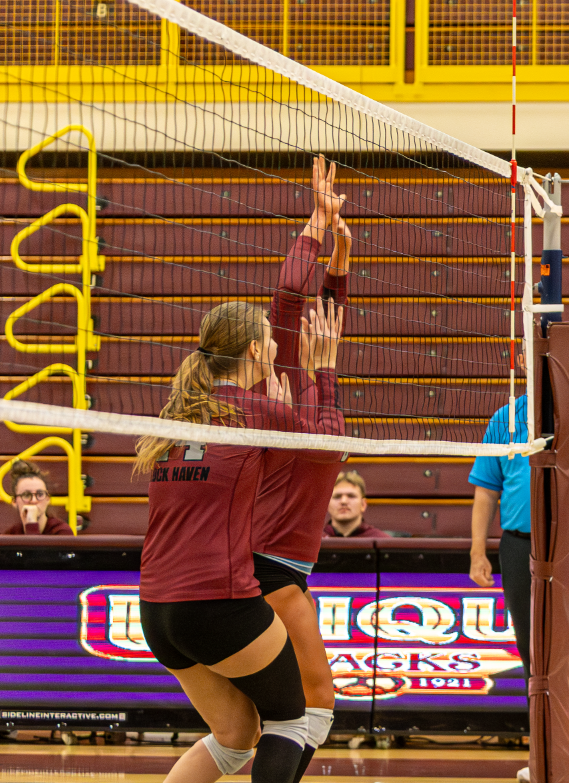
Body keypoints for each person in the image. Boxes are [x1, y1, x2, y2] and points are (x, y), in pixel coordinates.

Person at [132, 297, 342, 783]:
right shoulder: (260, 410)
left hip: (156, 611)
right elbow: (328, 449)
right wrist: (323, 373)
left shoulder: (175, 418)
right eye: (269, 337)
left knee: (234, 734)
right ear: (254, 350)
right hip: (218, 601)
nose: (275, 344)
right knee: (294, 718)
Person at [468, 353, 569, 783]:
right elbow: (486, 491)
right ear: (524, 363)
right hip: (521, 545)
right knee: (533, 652)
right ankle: (545, 751)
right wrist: (477, 552)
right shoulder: (506, 417)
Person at [251, 156, 353, 780]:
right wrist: (315, 223)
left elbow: (326, 315)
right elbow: (290, 296)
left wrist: (339, 261)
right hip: (272, 566)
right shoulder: (283, 387)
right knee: (312, 709)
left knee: (253, 728)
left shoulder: (319, 382)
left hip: (283, 565)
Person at [2, 459, 72, 535]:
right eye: (26, 495)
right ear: (14, 502)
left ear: (47, 499)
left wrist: (31, 523)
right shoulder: (10, 534)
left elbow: (35, 547)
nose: (34, 500)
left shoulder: (62, 532)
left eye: (40, 494)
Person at [324, 470, 389, 538]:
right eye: (337, 497)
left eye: (351, 496)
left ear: (363, 504)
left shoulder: (383, 541)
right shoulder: (315, 542)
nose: (344, 501)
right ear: (327, 505)